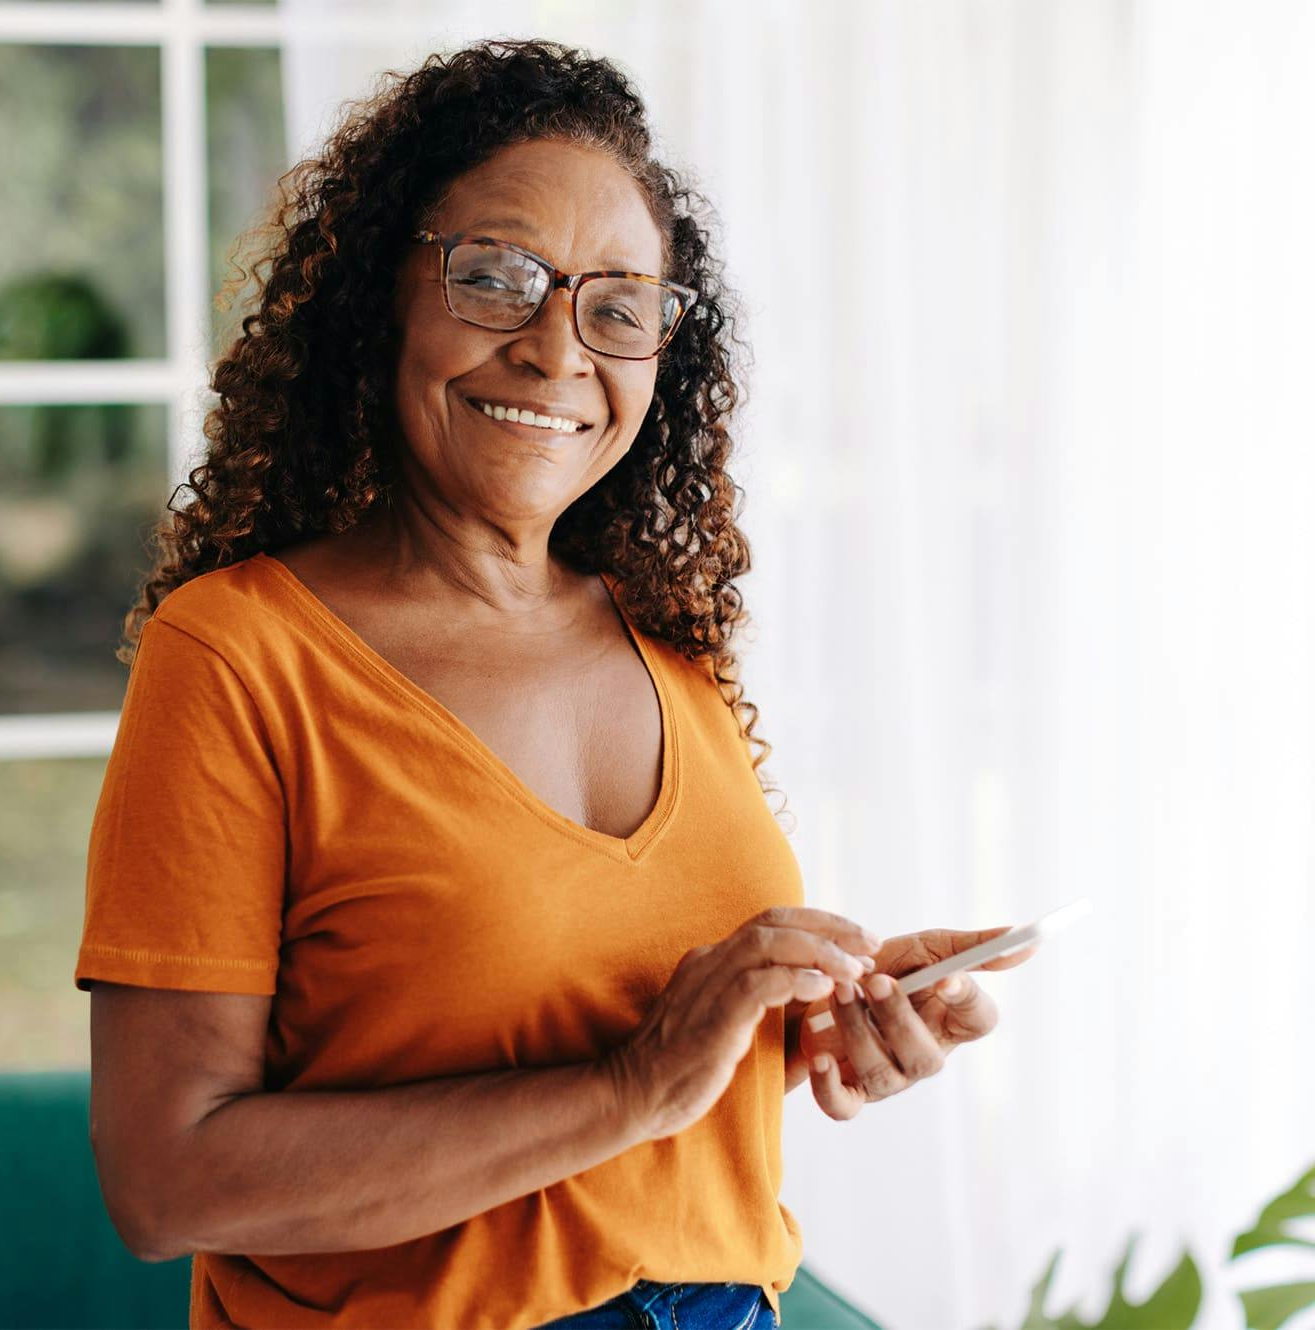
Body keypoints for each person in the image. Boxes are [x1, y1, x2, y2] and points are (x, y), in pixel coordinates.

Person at [74, 37, 1037, 1330]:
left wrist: (813, 1019)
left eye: (618, 304)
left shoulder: (669, 638)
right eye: (497, 277)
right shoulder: (239, 655)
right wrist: (633, 1083)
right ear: (381, 295)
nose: (554, 347)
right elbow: (166, 1178)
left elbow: (629, 1024)